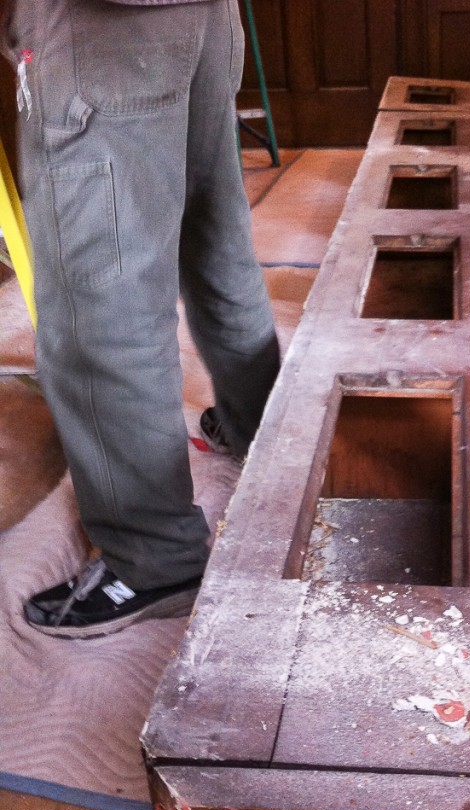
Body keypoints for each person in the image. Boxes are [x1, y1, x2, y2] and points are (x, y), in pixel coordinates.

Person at [2, 0, 281, 638]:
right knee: (215, 239)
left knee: (100, 306)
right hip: (205, 16)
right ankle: (263, 430)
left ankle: (156, 559)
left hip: (100, 24)